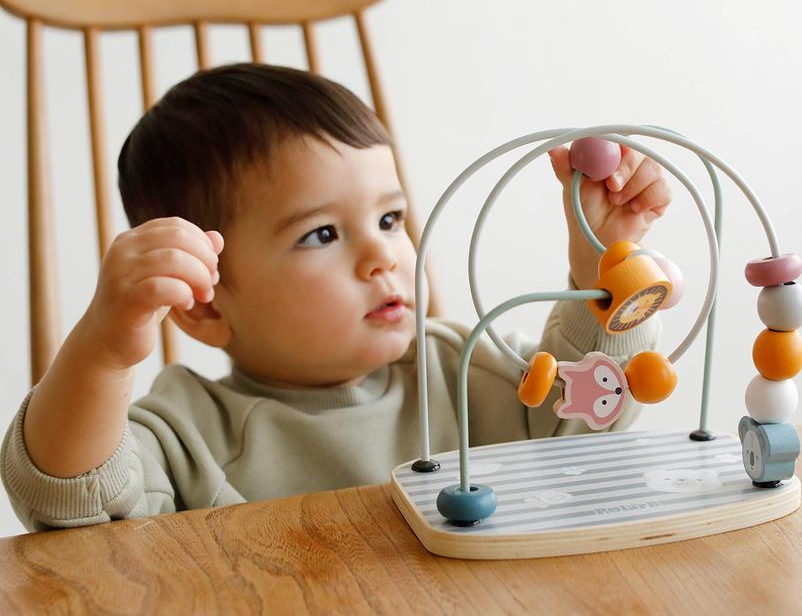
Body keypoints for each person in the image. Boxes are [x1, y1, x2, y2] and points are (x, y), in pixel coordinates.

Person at [1, 64, 672, 531]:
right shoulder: (190, 433)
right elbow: (71, 499)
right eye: (321, 233)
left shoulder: (460, 370)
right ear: (207, 305)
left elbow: (584, 424)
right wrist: (103, 353)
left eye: (389, 219)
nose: (384, 254)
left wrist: (602, 263)